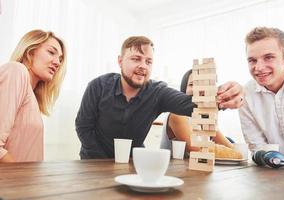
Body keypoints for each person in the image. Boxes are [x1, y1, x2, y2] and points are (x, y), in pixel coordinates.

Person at [75, 36, 244, 159]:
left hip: (133, 163)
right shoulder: (98, 86)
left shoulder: (157, 91)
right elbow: (83, 127)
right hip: (94, 161)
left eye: (148, 61)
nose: (143, 66)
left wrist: (223, 97)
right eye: (136, 59)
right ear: (120, 61)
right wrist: (102, 161)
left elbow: (189, 104)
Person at [0, 29, 66, 162]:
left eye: (60, 59)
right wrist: (21, 179)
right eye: (51, 52)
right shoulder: (16, 71)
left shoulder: (32, 96)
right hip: (14, 181)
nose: (58, 63)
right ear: (30, 51)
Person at [239, 27, 284, 156]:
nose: (259, 68)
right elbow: (258, 147)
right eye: (252, 60)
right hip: (276, 169)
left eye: (268, 57)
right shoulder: (246, 95)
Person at [160, 69, 234, 153]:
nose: (198, 89)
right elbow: (197, 149)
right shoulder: (177, 115)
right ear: (184, 89)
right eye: (192, 84)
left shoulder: (205, 118)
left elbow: (231, 148)